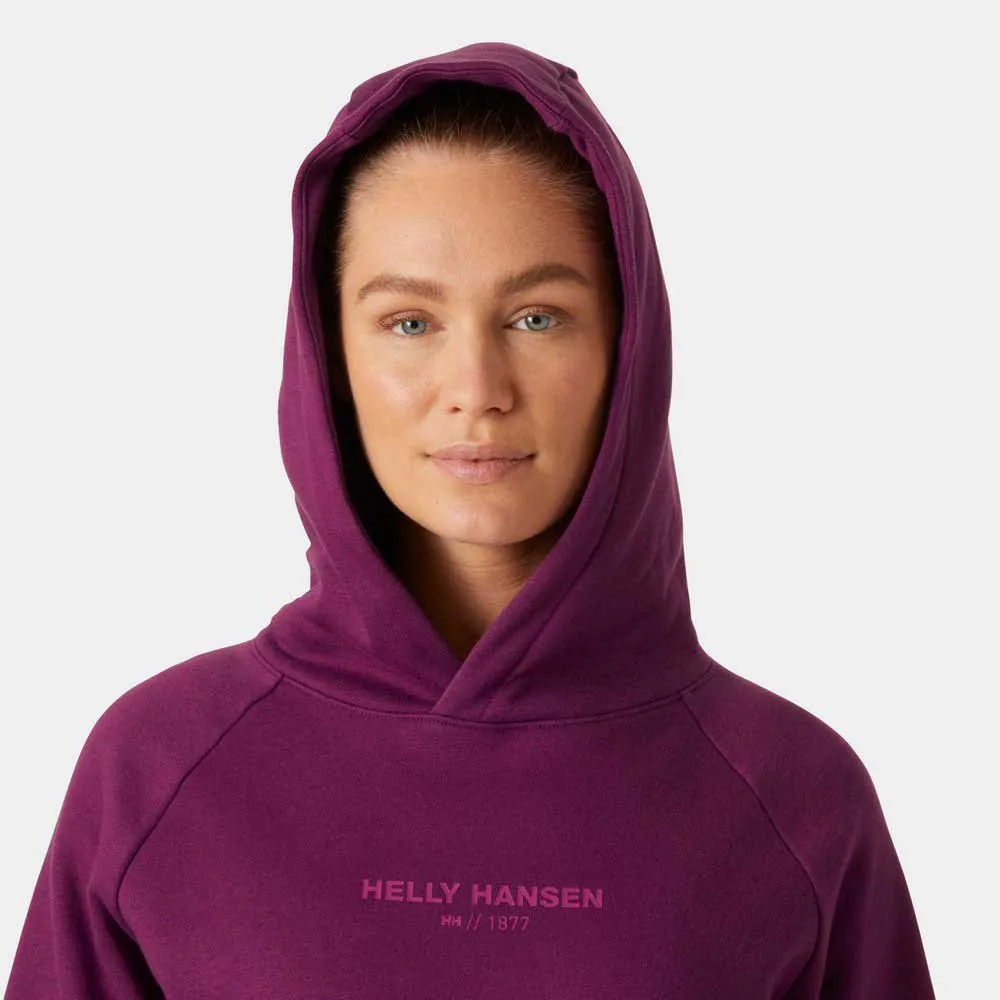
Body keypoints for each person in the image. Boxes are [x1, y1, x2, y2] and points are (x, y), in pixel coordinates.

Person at [4, 41, 936, 998]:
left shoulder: (794, 795)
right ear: (329, 358)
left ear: (629, 350)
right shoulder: (158, 768)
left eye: (537, 317)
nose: (477, 388)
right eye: (410, 322)